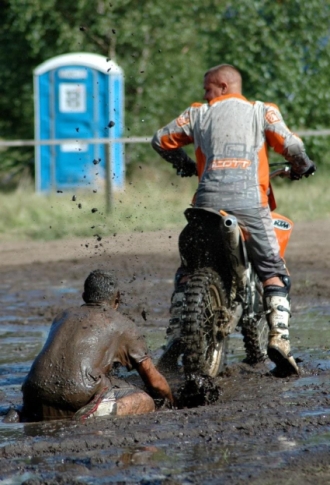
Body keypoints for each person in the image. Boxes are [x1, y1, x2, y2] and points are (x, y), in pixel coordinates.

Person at [151, 64, 316, 376]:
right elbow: (292, 145)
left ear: (223, 85)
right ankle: (280, 340)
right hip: (250, 204)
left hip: (205, 205)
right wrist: (302, 166)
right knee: (273, 270)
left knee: (188, 269)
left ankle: (175, 334)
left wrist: (184, 163)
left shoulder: (196, 114)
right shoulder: (262, 111)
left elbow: (160, 140)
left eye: (207, 88)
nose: (204, 94)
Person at [20, 269, 174, 422]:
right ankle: (92, 415)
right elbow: (154, 380)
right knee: (144, 400)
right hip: (76, 398)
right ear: (117, 299)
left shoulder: (63, 316)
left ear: (84, 296)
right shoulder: (122, 324)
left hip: (33, 395)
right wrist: (172, 402)